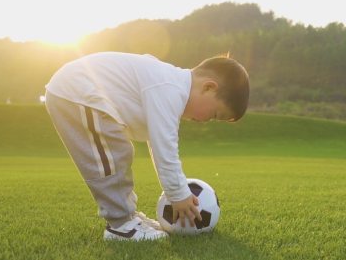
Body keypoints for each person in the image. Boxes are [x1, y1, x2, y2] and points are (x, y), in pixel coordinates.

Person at [44, 52, 249, 241]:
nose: (206, 120)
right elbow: (164, 147)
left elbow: (157, 140)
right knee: (111, 156)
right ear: (208, 87)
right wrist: (178, 194)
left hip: (76, 91)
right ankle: (121, 225)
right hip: (76, 92)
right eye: (214, 115)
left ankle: (128, 216)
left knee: (119, 152)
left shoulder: (169, 83)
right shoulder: (170, 88)